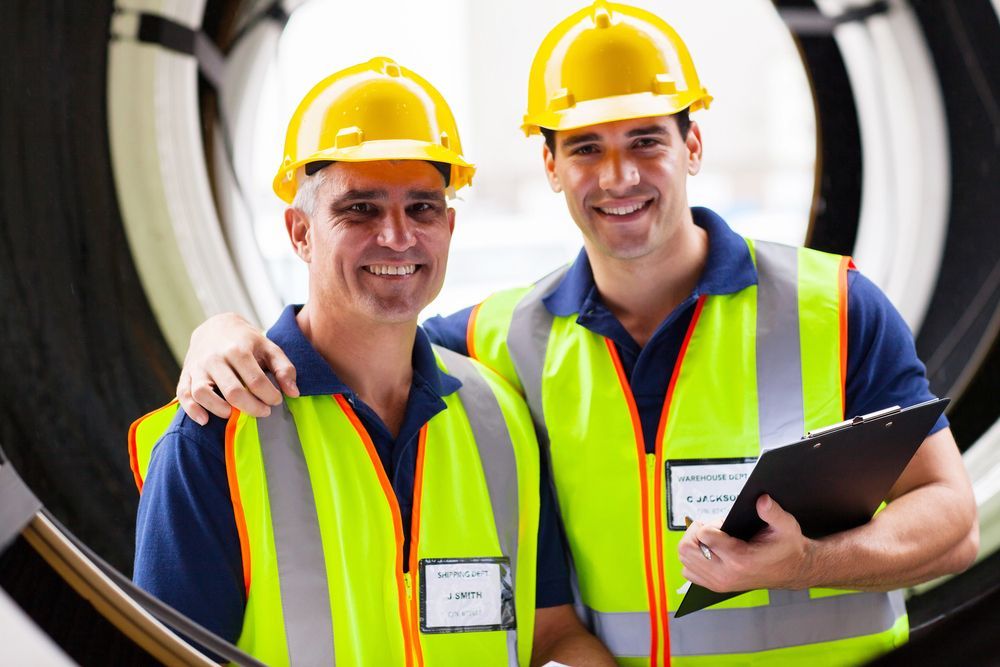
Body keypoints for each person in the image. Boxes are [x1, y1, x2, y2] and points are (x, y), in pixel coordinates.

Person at [172, 3, 979, 665]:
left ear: (692, 145)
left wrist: (810, 562)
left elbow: (951, 517)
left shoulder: (833, 311)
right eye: (587, 148)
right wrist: (220, 332)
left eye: (646, 142)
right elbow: (364, 334)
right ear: (551, 166)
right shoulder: (495, 345)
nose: (619, 177)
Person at [131, 57, 614, 666]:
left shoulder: (501, 421)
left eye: (422, 208)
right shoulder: (217, 435)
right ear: (300, 232)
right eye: (359, 209)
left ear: (450, 225)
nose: (397, 236)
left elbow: (551, 634)